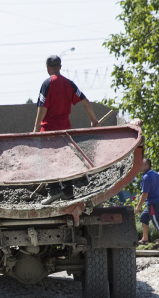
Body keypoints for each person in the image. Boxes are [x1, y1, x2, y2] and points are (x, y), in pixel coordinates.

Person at [33, 54, 101, 205]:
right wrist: (93, 120)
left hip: (49, 131)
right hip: (66, 130)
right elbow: (85, 101)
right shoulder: (69, 84)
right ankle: (68, 192)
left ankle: (54, 192)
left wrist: (36, 128)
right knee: (65, 160)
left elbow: (42, 107)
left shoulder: (47, 83)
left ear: (47, 68)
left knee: (49, 161)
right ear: (60, 67)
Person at [135, 158, 159, 250]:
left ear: (147, 166)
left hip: (152, 204)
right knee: (143, 217)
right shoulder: (156, 174)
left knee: (158, 223)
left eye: (141, 164)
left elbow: (145, 194)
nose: (139, 166)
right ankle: (145, 239)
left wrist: (138, 206)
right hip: (157, 202)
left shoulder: (146, 176)